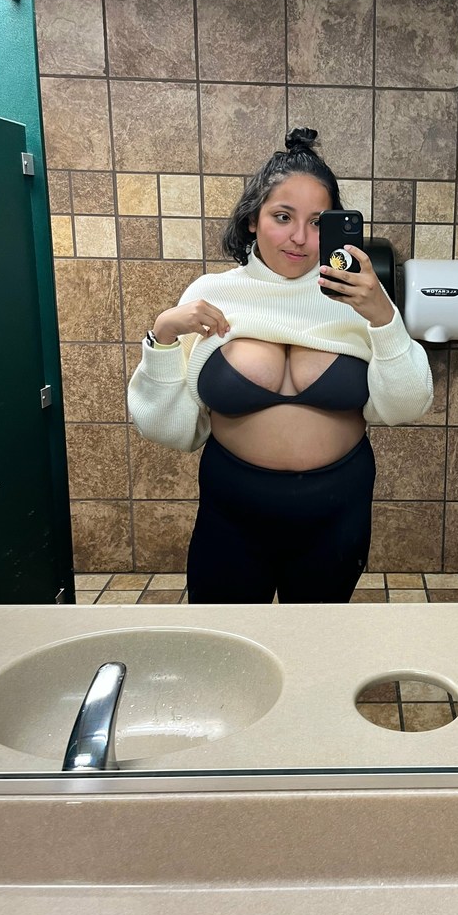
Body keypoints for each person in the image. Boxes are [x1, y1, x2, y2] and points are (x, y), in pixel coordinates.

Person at [128, 128, 433, 604]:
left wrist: (384, 317)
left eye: (317, 222)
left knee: (315, 641)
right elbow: (169, 430)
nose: (300, 238)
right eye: (283, 217)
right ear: (253, 219)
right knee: (227, 640)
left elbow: (408, 405)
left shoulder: (360, 299)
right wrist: (163, 334)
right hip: (231, 512)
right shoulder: (211, 293)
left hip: (338, 511)